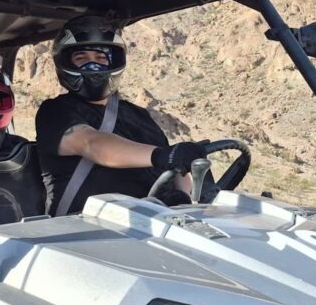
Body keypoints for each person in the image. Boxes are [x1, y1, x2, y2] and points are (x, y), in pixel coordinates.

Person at [35, 15, 206, 216]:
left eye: (101, 59)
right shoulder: (55, 111)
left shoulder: (139, 114)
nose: (94, 67)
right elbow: (92, 143)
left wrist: (183, 193)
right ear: (64, 63)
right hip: (85, 230)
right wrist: (160, 155)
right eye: (81, 59)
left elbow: (173, 162)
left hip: (153, 222)